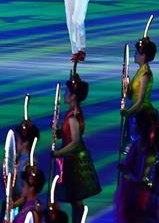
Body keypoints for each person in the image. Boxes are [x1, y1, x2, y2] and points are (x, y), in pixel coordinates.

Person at [53, 72, 101, 223]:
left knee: (76, 199)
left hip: (74, 162)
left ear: (73, 96)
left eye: (67, 92)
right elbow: (68, 135)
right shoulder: (72, 113)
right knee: (75, 199)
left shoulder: (73, 116)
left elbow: (74, 142)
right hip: (71, 159)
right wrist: (59, 132)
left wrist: (58, 152)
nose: (65, 95)